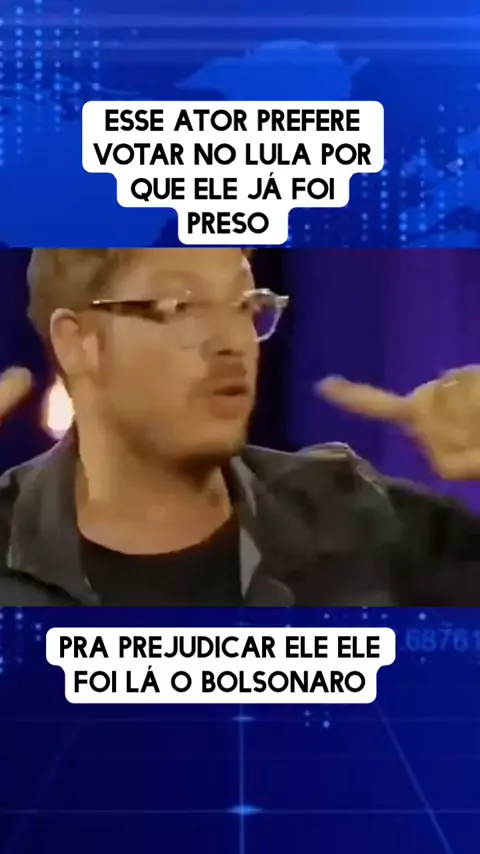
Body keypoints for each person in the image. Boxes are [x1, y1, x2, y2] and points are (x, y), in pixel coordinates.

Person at [1, 247, 480, 607]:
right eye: (182, 306)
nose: (234, 341)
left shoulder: (359, 519)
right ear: (77, 342)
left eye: (246, 305)